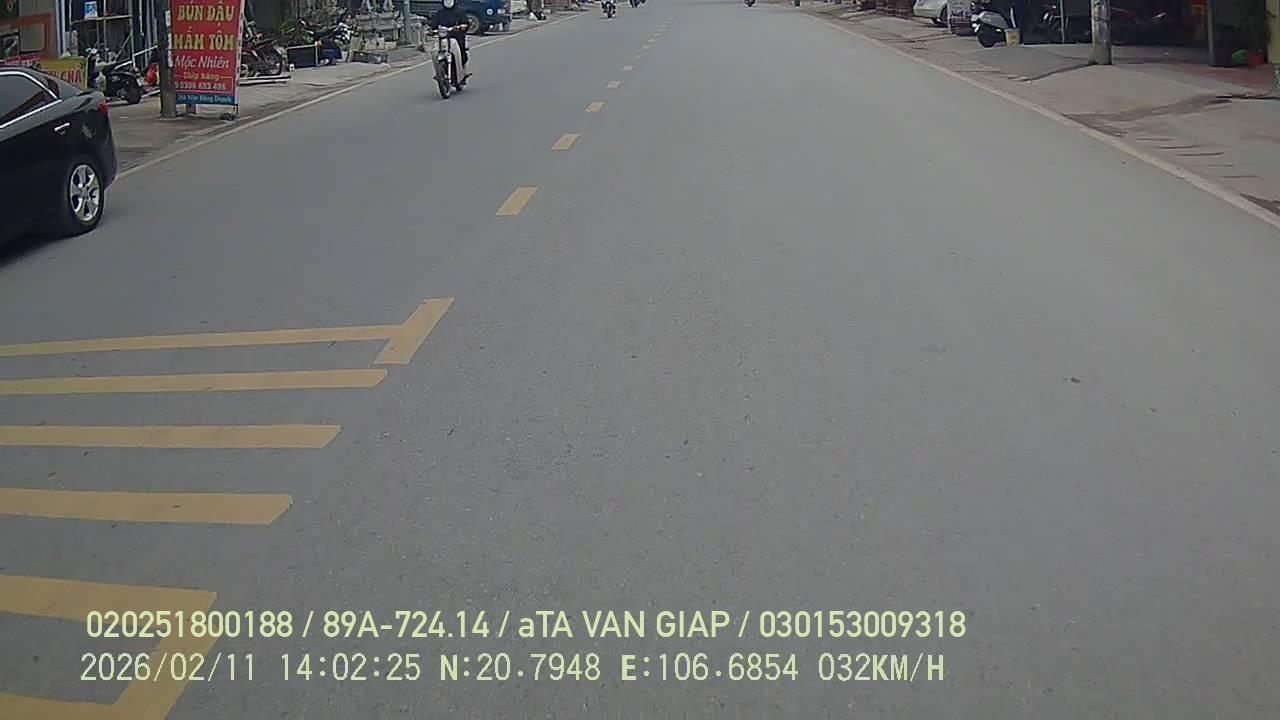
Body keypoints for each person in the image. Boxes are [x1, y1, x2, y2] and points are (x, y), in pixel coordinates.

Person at [429, 0, 470, 79]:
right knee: (434, 51)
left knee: (461, 50)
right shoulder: (440, 13)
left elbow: (465, 23)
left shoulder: (459, 12)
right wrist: (431, 31)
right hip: (442, 38)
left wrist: (461, 27)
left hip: (456, 37)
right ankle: (438, 73)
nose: (448, 2)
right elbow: (433, 25)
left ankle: (462, 72)